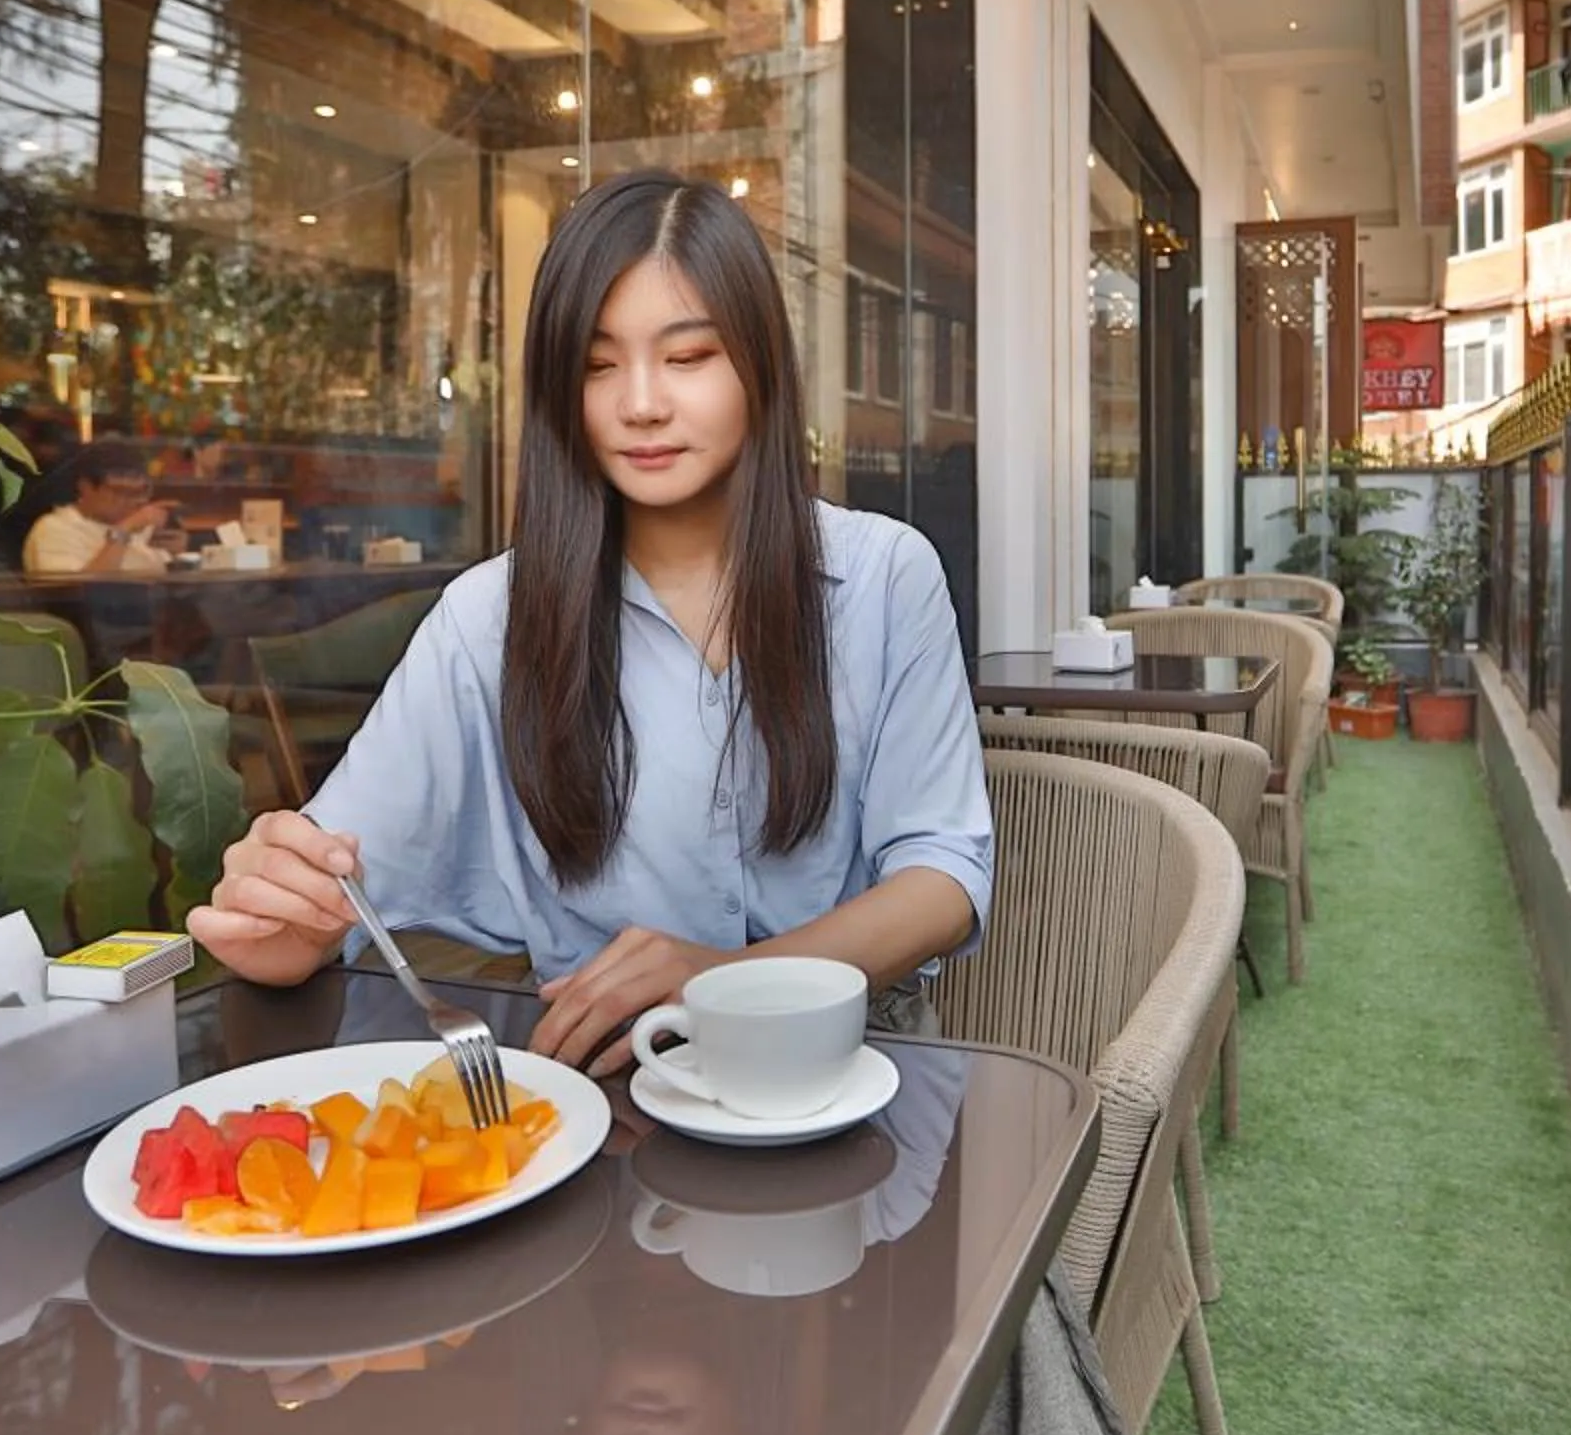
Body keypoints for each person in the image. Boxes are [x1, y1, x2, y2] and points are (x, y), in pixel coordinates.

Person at [189, 169, 995, 1076]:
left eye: (688, 357)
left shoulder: (883, 576)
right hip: (603, 1090)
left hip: (854, 1066)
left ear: (760, 366)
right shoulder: (487, 619)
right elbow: (334, 894)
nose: (640, 403)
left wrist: (726, 983)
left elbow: (943, 878)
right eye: (597, 365)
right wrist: (283, 909)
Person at [22, 442, 180, 576]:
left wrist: (178, 554)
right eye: (120, 492)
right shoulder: (55, 529)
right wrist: (122, 533)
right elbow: (81, 592)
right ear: (86, 487)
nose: (133, 501)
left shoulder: (145, 528)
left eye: (140, 492)